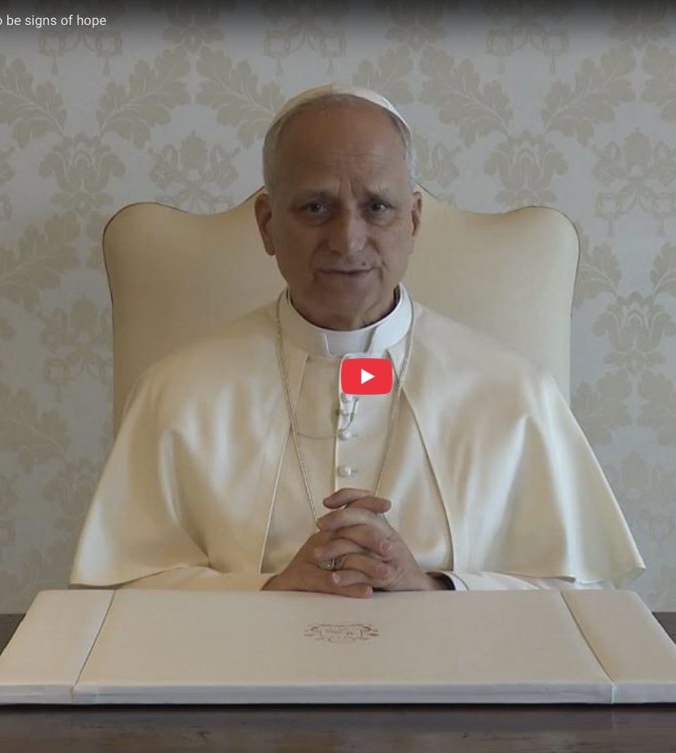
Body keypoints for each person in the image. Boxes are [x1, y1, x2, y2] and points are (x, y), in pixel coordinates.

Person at [70, 84, 644, 598]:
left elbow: (582, 597)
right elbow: (120, 593)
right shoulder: (177, 391)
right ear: (268, 224)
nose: (347, 240)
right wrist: (268, 590)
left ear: (412, 221)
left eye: (377, 207)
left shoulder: (513, 393)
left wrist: (432, 586)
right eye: (316, 207)